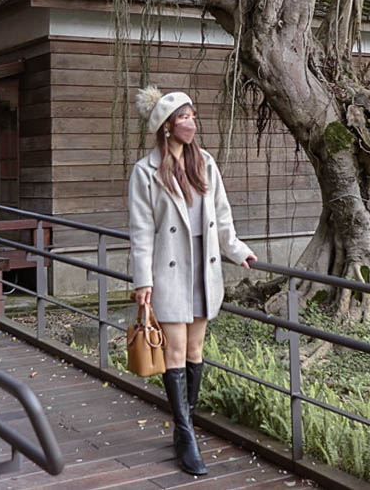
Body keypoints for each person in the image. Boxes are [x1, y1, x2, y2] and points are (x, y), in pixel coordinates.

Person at [128, 86, 258, 476]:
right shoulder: (145, 172)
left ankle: (185, 426)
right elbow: (140, 230)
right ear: (166, 127)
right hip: (168, 268)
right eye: (183, 117)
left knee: (195, 351)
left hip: (203, 266)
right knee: (175, 351)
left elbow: (222, 215)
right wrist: (142, 280)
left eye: (192, 115)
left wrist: (239, 251)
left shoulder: (206, 164)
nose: (191, 122)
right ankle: (186, 435)